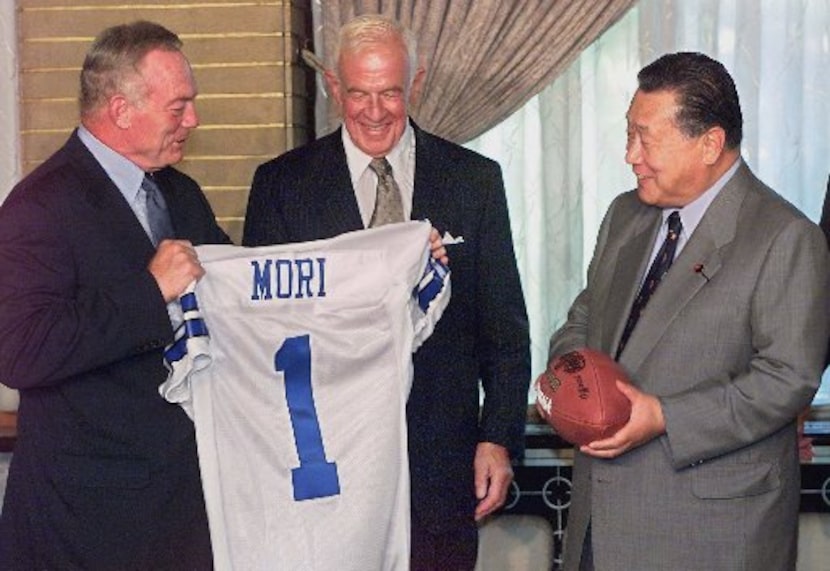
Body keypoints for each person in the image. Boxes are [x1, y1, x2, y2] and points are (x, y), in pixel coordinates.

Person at [243, 13, 530, 570]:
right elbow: (263, 335)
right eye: (359, 93)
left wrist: (497, 438)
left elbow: (505, 332)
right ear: (333, 87)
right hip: (324, 469)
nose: (375, 111)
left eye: (390, 93)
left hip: (442, 473)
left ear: (415, 85)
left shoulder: (475, 181)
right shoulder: (280, 186)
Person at [548, 51, 830, 571]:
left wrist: (665, 417)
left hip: (711, 537)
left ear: (709, 144)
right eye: (627, 134)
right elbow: (584, 318)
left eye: (645, 138)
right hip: (597, 526)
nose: (630, 155)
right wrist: (573, 376)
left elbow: (788, 377)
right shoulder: (624, 214)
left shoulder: (785, 238)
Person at [0, 21, 230, 569]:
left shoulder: (181, 192)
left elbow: (235, 292)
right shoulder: (38, 206)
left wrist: (379, 272)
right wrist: (151, 291)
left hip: (179, 513)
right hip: (84, 526)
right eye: (179, 107)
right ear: (122, 111)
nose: (192, 120)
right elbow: (18, 350)